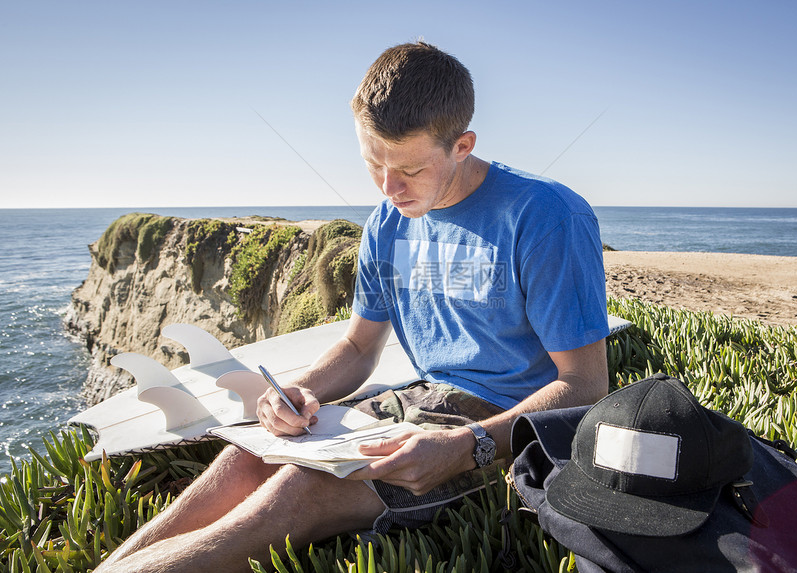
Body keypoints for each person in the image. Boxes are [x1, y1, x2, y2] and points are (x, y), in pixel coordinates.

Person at [97, 41, 610, 572]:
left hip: (504, 422)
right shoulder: (386, 223)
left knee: (294, 492)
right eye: (373, 164)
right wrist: (301, 393)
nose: (390, 189)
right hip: (415, 398)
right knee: (247, 458)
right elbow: (360, 344)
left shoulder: (547, 215)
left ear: (462, 144)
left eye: (409, 168)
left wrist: (468, 446)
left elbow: (587, 384)